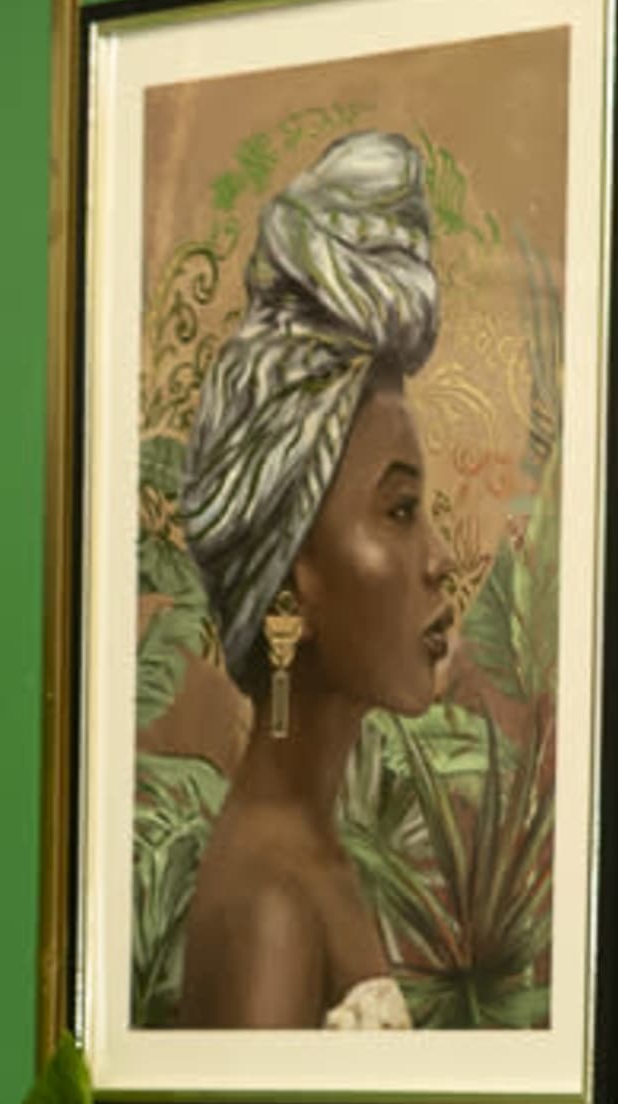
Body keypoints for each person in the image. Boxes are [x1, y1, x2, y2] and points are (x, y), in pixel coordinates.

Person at [167, 125, 457, 1033]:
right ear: (292, 581)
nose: (440, 559)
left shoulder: (307, 857)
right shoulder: (273, 904)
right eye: (398, 511)